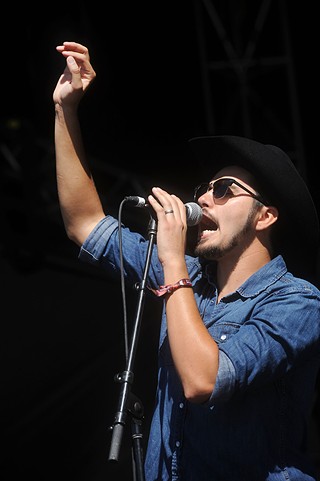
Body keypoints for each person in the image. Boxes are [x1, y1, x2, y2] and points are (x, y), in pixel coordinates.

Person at [53, 41, 320, 481]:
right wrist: (66, 110)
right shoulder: (190, 274)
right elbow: (84, 223)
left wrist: (173, 264)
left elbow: (205, 381)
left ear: (265, 215)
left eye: (224, 189)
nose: (203, 198)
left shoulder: (298, 303)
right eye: (203, 188)